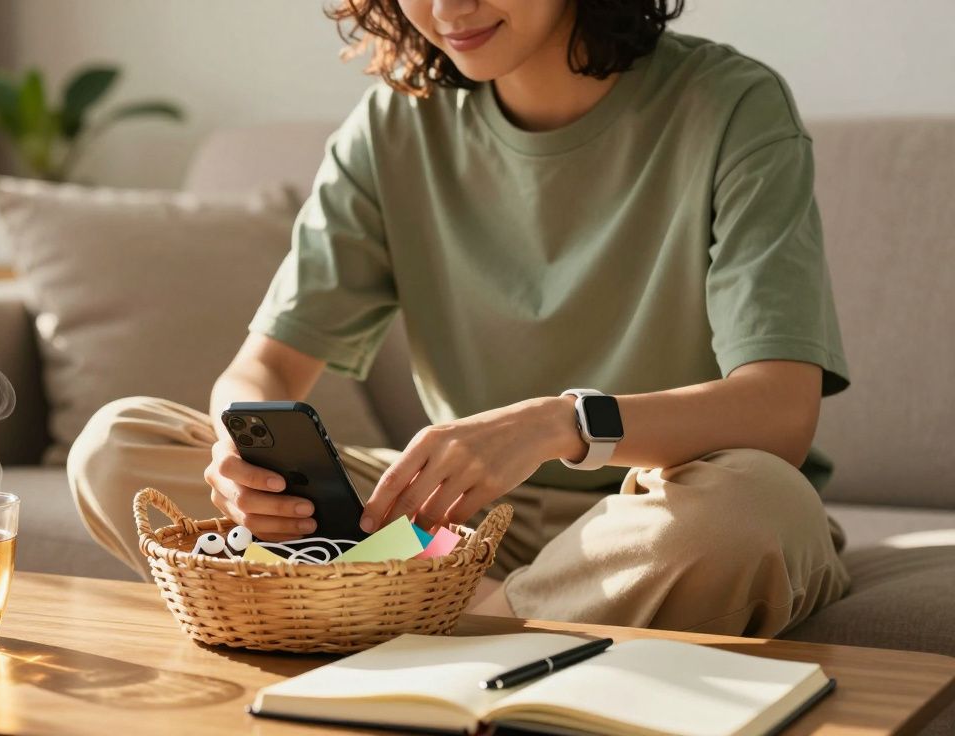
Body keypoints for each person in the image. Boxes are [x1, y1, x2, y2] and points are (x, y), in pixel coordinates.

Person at [69, 0, 852, 636]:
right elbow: (265, 367)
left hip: (654, 515)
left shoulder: (731, 106)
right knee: (118, 445)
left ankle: (426, 621)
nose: (447, 7)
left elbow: (780, 413)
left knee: (754, 511)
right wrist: (244, 454)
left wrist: (557, 425)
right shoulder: (393, 126)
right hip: (454, 528)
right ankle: (499, 621)